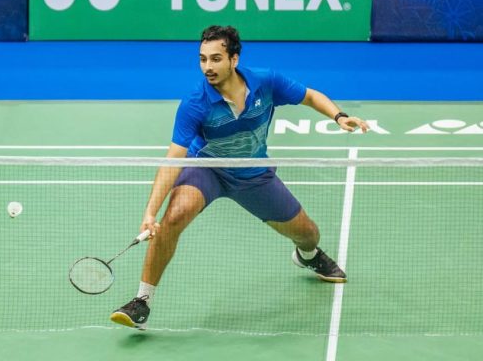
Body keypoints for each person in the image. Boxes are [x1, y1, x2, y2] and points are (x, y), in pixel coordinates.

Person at [110, 25, 369, 329]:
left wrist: (339, 116)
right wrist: (150, 212)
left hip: (252, 173)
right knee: (175, 216)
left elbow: (309, 96)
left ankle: (308, 255)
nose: (207, 67)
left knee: (309, 233)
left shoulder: (266, 82)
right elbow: (172, 160)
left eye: (216, 59)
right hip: (206, 168)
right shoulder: (195, 102)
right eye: (203, 59)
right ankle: (141, 301)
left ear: (234, 59)